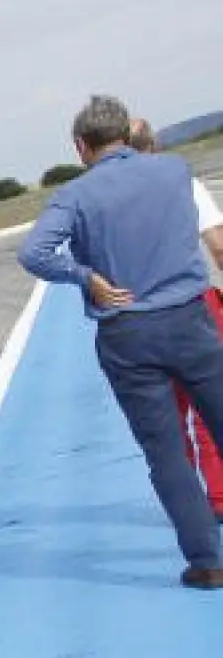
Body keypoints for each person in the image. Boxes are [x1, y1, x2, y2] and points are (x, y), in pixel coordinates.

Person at [17, 95, 223, 588]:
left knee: (165, 451)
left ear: (80, 145)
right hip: (191, 317)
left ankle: (208, 562)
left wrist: (83, 276)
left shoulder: (75, 195)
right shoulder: (174, 171)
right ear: (126, 135)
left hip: (128, 331)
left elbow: (34, 252)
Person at [130, 117, 223, 516]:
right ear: (154, 145)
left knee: (165, 417)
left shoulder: (105, 198)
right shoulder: (183, 182)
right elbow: (218, 246)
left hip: (139, 311)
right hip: (194, 301)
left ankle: (188, 505)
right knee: (210, 404)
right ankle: (220, 496)